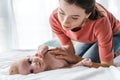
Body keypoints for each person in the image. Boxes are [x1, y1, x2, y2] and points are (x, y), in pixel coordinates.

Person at [47, 0, 120, 68]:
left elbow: (107, 65)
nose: (65, 22)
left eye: (74, 18)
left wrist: (75, 59)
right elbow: (67, 47)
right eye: (61, 12)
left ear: (87, 15)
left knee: (88, 61)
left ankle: (116, 52)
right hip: (92, 37)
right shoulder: (54, 18)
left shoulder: (101, 22)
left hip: (115, 34)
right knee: (77, 57)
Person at [9, 45, 92, 75]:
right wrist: (81, 63)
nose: (35, 64)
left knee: (88, 39)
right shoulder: (52, 69)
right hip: (76, 58)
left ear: (30, 56)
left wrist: (41, 50)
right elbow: (70, 67)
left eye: (30, 61)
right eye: (31, 71)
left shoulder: (41, 54)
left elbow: (44, 46)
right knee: (96, 49)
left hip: (73, 51)